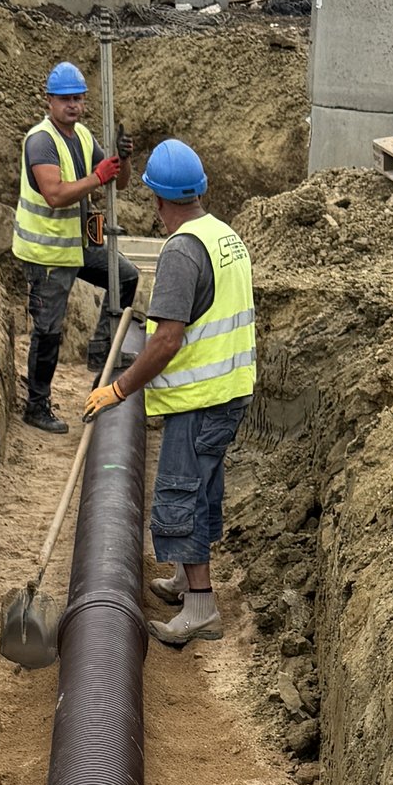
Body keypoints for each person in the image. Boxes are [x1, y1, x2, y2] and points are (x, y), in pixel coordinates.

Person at [82, 136, 252, 648]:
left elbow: (168, 340)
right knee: (202, 488)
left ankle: (201, 608)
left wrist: (118, 388)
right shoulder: (224, 235)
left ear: (158, 200)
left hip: (202, 398)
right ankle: (184, 578)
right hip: (228, 391)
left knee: (182, 496)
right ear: (199, 190)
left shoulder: (182, 250)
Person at [12, 62, 136, 432]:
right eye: (66, 99)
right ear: (49, 100)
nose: (74, 106)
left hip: (77, 246)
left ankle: (101, 351)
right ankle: (37, 405)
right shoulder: (41, 140)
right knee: (48, 330)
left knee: (125, 278)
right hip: (47, 252)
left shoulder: (82, 136)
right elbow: (54, 195)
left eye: (79, 99)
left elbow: (120, 183)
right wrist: (95, 178)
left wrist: (123, 159)